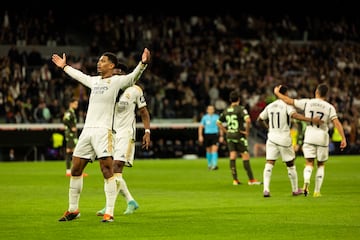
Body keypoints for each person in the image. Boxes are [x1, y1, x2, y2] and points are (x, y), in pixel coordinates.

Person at [52, 48, 151, 222]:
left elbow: (133, 77)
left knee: (107, 170)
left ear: (112, 65)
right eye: (99, 60)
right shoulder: (95, 81)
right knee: (76, 168)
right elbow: (79, 75)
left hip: (104, 131)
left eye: (103, 61)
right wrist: (65, 67)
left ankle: (109, 213)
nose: (99, 63)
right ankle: (73, 210)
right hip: (87, 130)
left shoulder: (117, 81)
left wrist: (143, 64)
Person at [96, 62, 151, 216]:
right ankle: (130, 201)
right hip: (110, 134)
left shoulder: (135, 90)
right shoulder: (109, 88)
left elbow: (144, 112)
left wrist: (147, 131)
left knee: (116, 167)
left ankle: (109, 206)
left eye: (119, 73)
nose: (116, 75)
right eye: (115, 73)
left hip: (126, 134)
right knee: (110, 170)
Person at [274, 83, 347, 197]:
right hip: (322, 136)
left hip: (309, 135)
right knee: (321, 164)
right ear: (326, 95)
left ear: (316, 92)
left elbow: (289, 101)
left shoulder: (308, 102)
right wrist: (343, 138)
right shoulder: (329, 107)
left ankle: (306, 183)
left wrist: (277, 93)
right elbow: (336, 122)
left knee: (309, 163)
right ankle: (317, 191)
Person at [257, 85, 323, 197]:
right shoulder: (286, 105)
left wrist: (268, 127)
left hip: (271, 138)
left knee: (269, 163)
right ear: (286, 94)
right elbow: (295, 116)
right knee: (290, 164)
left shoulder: (270, 106)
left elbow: (259, 119)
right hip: (284, 139)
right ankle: (294, 189)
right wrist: (311, 120)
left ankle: (266, 190)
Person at [216, 90, 262, 186]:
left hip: (230, 135)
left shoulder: (226, 109)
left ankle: (235, 180)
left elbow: (218, 122)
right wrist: (247, 131)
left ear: (230, 100)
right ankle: (251, 180)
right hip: (239, 135)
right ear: (239, 99)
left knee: (232, 155)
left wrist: (226, 131)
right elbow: (248, 120)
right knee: (245, 156)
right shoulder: (241, 109)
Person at [198, 105, 221, 170]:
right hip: (207, 134)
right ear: (207, 110)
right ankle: (209, 164)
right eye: (209, 109)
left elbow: (220, 127)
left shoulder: (217, 117)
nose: (210, 110)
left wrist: (221, 136)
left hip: (215, 134)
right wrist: (200, 136)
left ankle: (214, 164)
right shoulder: (204, 118)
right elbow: (200, 127)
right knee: (208, 150)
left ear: (214, 110)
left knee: (215, 149)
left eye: (212, 109)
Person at [62, 97, 81, 177]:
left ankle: (72, 171)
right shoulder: (69, 112)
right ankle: (72, 171)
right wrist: (71, 127)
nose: (77, 105)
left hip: (72, 135)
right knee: (71, 151)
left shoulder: (72, 112)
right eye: (75, 104)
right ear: (71, 104)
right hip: (70, 135)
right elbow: (65, 120)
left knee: (72, 152)